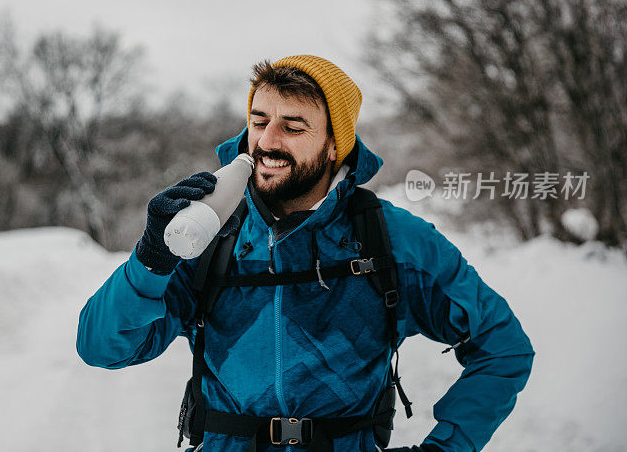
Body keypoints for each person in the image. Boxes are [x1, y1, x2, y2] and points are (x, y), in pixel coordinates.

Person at [76, 55, 534, 452]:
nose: (267, 141)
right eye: (259, 122)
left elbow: (503, 347)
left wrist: (446, 448)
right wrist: (152, 257)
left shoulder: (391, 238)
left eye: (293, 127)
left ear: (336, 144)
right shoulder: (213, 235)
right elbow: (101, 348)